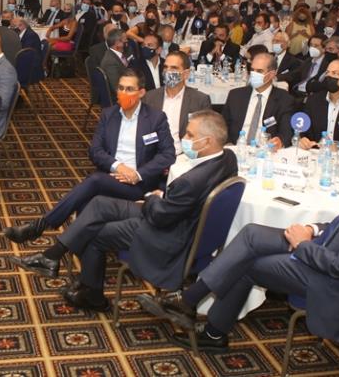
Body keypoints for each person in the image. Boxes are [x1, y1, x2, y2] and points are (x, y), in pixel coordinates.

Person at [140, 129, 339, 351]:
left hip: (337, 284)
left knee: (247, 265)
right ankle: (190, 302)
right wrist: (312, 228)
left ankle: (210, 330)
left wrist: (303, 244)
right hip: (329, 250)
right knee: (251, 233)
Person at [12, 110, 236, 311]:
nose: (184, 138)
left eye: (189, 134)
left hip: (166, 233)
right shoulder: (228, 157)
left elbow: (160, 217)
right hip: (175, 217)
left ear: (207, 141)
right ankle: (53, 255)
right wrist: (161, 199)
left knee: (94, 232)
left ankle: (93, 295)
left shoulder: (191, 181)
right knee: (99, 203)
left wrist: (152, 198)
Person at [4, 70, 175, 245]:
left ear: (141, 92)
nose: (123, 93)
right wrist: (117, 166)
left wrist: (137, 174)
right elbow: (95, 151)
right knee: (86, 203)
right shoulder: (109, 114)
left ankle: (40, 226)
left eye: (129, 89)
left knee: (94, 182)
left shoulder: (155, 118)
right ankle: (62, 252)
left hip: (137, 184)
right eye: (121, 88)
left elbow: (168, 154)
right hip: (111, 177)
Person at [221, 53, 294, 148]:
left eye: (259, 71)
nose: (253, 74)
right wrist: (228, 145)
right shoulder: (235, 95)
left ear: (272, 74)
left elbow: (286, 132)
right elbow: (222, 126)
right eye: (252, 70)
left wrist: (279, 142)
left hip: (266, 150)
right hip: (236, 147)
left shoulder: (284, 99)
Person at [142, 52, 212, 150]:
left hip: (185, 154)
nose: (168, 71)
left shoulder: (200, 100)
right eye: (165, 67)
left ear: (186, 74)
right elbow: (144, 132)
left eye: (174, 68)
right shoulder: (150, 98)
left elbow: (203, 135)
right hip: (156, 153)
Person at [100, 29, 130, 103]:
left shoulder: (121, 54)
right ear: (117, 43)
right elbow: (116, 87)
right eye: (125, 39)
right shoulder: (110, 62)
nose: (127, 41)